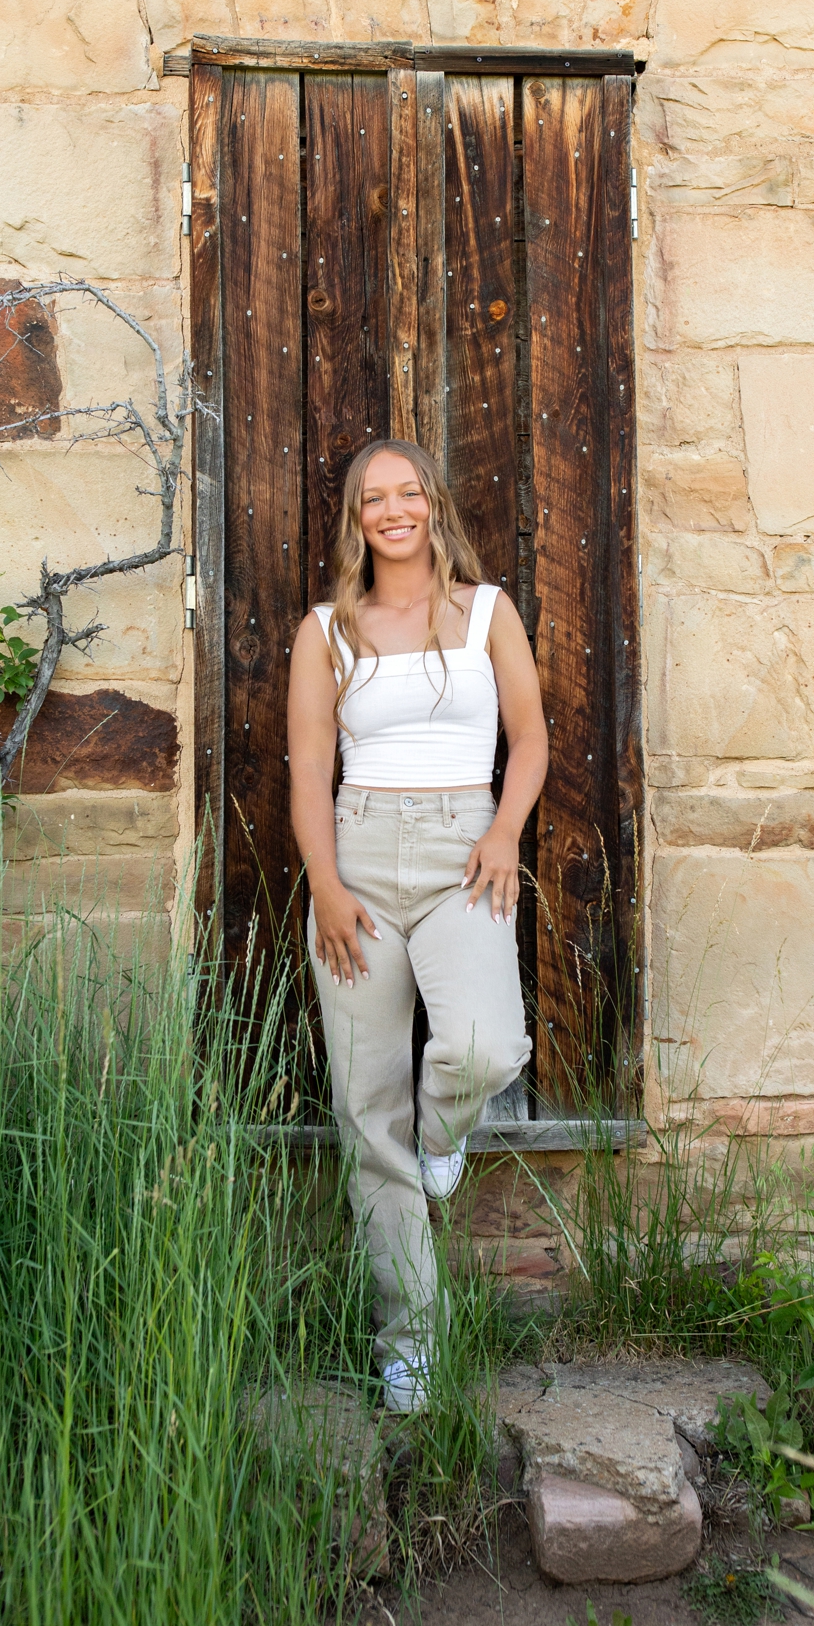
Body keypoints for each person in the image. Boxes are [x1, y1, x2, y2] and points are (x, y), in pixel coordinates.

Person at [287, 438, 547, 1414]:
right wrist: (324, 885)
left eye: (409, 494)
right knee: (367, 1117)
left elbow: (530, 737)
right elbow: (310, 768)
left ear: (432, 505)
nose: (393, 511)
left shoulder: (487, 611)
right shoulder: (328, 630)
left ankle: (447, 1132)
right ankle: (413, 1346)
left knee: (485, 1044)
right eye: (373, 499)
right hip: (357, 862)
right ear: (356, 518)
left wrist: (506, 831)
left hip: (462, 851)